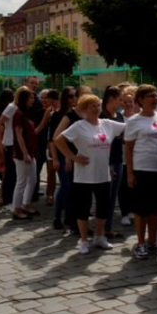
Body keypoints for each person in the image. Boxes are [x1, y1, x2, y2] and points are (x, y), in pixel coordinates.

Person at [55, 94, 126, 254]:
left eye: (97, 105)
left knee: (103, 207)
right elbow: (59, 140)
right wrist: (73, 157)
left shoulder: (107, 124)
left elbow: (128, 126)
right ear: (85, 109)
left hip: (103, 174)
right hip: (84, 175)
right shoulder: (79, 125)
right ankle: (83, 239)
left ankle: (99, 237)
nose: (96, 108)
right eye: (91, 106)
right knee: (83, 208)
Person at [124, 84, 157, 259]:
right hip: (142, 169)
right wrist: (130, 173)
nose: (154, 98)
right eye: (150, 96)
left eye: (156, 95)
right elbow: (128, 149)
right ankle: (140, 243)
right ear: (140, 100)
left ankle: (152, 241)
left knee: (156, 209)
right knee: (141, 210)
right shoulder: (134, 121)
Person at [100, 86, 127, 239]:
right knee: (105, 197)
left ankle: (107, 227)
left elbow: (120, 136)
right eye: (120, 100)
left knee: (112, 196)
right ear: (111, 99)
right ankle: (101, 228)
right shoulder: (102, 116)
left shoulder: (118, 115)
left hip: (118, 159)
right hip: (107, 160)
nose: (122, 102)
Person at [50, 86, 76, 232]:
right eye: (70, 96)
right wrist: (55, 159)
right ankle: (57, 217)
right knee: (65, 185)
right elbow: (53, 139)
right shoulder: (57, 116)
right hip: (61, 155)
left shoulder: (76, 114)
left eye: (75, 96)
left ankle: (69, 217)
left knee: (72, 187)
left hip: (74, 156)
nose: (73, 99)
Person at [11, 88, 39, 220]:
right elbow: (18, 135)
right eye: (30, 98)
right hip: (22, 154)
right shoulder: (18, 114)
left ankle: (25, 204)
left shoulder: (26, 113)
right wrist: (25, 153)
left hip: (31, 152)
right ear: (24, 99)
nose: (33, 100)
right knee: (21, 181)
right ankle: (16, 209)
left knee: (32, 179)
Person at [118, 85, 138, 227]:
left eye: (130, 101)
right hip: (123, 156)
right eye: (125, 101)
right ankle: (125, 212)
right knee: (123, 186)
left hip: (138, 156)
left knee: (135, 185)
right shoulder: (119, 118)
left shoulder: (139, 116)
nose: (128, 104)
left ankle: (134, 210)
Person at [0, 88, 15, 208]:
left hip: (4, 141)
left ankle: (4, 195)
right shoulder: (10, 108)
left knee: (5, 170)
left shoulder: (0, 108)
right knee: (6, 170)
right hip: (5, 141)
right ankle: (4, 196)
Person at [43, 89, 60, 205]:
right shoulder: (49, 111)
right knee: (50, 171)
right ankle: (50, 194)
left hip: (61, 144)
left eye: (47, 100)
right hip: (50, 143)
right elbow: (43, 125)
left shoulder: (62, 111)